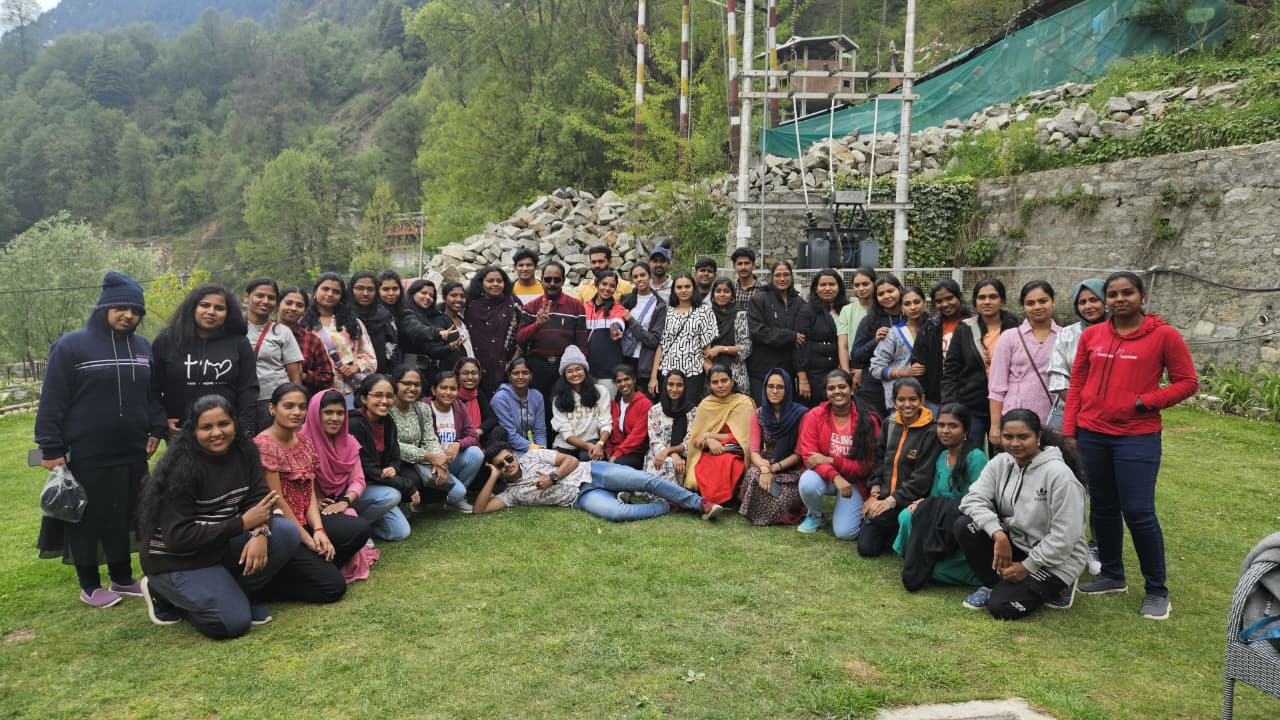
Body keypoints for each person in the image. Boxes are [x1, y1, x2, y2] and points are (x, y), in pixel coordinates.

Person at [138, 396, 342, 638]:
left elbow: (259, 497)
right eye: (206, 427)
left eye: (223, 424)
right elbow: (178, 538)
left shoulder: (244, 451)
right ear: (193, 430)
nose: (217, 433)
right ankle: (163, 593)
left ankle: (234, 594)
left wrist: (260, 531)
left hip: (217, 545)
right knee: (233, 623)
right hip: (178, 559)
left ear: (234, 423)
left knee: (285, 532)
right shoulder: (182, 468)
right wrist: (243, 523)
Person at [1064, 271, 1197, 621]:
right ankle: (1112, 575)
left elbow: (1187, 382)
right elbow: (1077, 384)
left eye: (1127, 293)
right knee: (1103, 506)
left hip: (1136, 436)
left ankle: (1156, 591)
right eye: (1113, 294)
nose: (1119, 299)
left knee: (1138, 511)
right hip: (1092, 433)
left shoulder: (1164, 336)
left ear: (1141, 296)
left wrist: (1145, 401)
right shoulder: (1093, 335)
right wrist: (1069, 430)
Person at [35, 272, 167, 608]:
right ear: (104, 308)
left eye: (135, 311)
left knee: (125, 516)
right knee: (88, 519)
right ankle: (90, 585)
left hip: (132, 451)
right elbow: (52, 400)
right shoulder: (71, 346)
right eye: (121, 308)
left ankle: (122, 577)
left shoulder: (142, 347)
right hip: (86, 453)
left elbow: (152, 395)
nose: (128, 315)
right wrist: (50, 447)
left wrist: (156, 428)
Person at [955, 409, 1088, 620]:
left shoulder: (1060, 475)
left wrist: (1027, 567)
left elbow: (1065, 536)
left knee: (1002, 607)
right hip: (1017, 544)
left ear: (1038, 436)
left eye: (1023, 437)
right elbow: (971, 499)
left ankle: (1062, 585)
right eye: (1008, 437)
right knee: (965, 525)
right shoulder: (1001, 462)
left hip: (1058, 559)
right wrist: (998, 534)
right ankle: (993, 584)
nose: (1015, 443)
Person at [253, 384, 372, 582]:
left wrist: (319, 530)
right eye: (289, 406)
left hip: (308, 517)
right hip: (283, 523)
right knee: (333, 587)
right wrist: (310, 541)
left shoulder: (304, 441)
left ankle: (322, 565)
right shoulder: (264, 444)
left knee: (360, 528)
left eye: (302, 407)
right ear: (272, 408)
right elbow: (278, 501)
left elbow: (308, 492)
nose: (296, 412)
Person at [472, 444, 725, 521]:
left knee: (644, 480)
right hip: (580, 498)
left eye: (508, 459)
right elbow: (479, 510)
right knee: (617, 513)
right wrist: (493, 476)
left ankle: (699, 503)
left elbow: (571, 459)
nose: (507, 465)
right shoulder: (512, 494)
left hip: (591, 471)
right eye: (501, 465)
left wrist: (552, 478)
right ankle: (670, 506)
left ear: (514, 455)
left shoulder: (533, 456)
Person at [895, 403, 988, 590]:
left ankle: (938, 564)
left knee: (933, 570)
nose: (945, 431)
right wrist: (922, 503)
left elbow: (982, 501)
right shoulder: (942, 456)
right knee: (906, 515)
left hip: (963, 520)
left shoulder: (976, 458)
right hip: (939, 515)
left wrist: (939, 507)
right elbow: (934, 495)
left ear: (965, 430)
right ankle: (916, 556)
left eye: (953, 426)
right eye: (941, 425)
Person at [297, 390, 383, 582]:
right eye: (328, 412)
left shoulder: (349, 442)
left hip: (339, 503)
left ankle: (335, 564)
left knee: (352, 515)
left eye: (340, 413)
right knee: (354, 523)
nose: (335, 418)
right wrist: (314, 501)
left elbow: (358, 480)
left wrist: (345, 501)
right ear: (315, 413)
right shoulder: (301, 442)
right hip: (307, 510)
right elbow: (299, 484)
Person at [152, 283, 259, 437]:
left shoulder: (239, 343)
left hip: (225, 433)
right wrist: (161, 420)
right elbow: (152, 388)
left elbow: (248, 390)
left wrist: (245, 429)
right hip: (181, 433)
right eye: (205, 305)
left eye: (219, 308)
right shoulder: (167, 341)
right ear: (193, 307)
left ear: (228, 313)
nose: (211, 312)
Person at [860, 378, 942, 557]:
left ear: (921, 399)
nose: (907, 404)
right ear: (894, 401)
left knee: (881, 519)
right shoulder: (889, 423)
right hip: (884, 497)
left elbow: (922, 478)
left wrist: (890, 502)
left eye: (913, 399)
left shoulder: (931, 431)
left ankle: (901, 528)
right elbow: (879, 460)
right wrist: (874, 495)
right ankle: (893, 531)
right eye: (901, 399)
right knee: (866, 549)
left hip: (910, 502)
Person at [796, 369, 880, 538]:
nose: (837, 392)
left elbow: (866, 466)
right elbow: (809, 456)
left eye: (842, 387)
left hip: (855, 481)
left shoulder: (868, 420)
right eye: (831, 388)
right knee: (807, 481)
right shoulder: (814, 415)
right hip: (826, 476)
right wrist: (835, 477)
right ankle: (815, 515)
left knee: (845, 533)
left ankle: (850, 508)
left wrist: (831, 460)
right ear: (826, 392)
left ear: (851, 388)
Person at [941, 278, 1019, 453]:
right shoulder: (965, 329)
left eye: (993, 297)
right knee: (970, 456)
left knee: (1005, 457)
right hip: (971, 406)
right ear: (975, 302)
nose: (987, 302)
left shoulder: (1017, 328)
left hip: (1008, 406)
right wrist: (950, 405)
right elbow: (951, 369)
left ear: (1002, 300)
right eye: (982, 297)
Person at [987, 280, 1061, 449]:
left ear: (1053, 301)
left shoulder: (1065, 337)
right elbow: (997, 386)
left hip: (1050, 420)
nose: (1037, 307)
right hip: (1014, 418)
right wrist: (995, 425)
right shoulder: (1010, 337)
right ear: (1023, 306)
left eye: (1043, 301)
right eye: (1030, 303)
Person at [346, 374, 419, 541]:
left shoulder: (387, 421)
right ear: (364, 398)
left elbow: (395, 455)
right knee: (393, 495)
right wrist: (407, 485)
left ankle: (361, 524)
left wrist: (393, 467)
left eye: (389, 396)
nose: (385, 401)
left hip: (377, 485)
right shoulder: (354, 424)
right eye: (378, 395)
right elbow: (366, 468)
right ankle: (355, 529)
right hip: (355, 486)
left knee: (399, 532)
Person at [516, 261, 589, 420]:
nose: (552, 283)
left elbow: (582, 344)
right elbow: (520, 339)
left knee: (564, 409)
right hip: (537, 367)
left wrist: (579, 371)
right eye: (548, 279)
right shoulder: (531, 307)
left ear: (563, 281)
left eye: (557, 280)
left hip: (564, 367)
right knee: (539, 411)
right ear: (541, 280)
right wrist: (537, 324)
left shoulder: (576, 307)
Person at [388, 367, 465, 512]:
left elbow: (430, 438)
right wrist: (429, 457)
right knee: (413, 480)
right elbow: (392, 445)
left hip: (419, 462)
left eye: (416, 384)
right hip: (394, 462)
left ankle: (421, 503)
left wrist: (440, 462)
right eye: (407, 383)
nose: (412, 388)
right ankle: (402, 506)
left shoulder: (422, 408)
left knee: (455, 491)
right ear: (395, 384)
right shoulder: (386, 408)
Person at [739, 368, 808, 526]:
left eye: (780, 387)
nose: (774, 391)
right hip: (766, 463)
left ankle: (775, 507)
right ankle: (769, 504)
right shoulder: (759, 414)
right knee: (754, 475)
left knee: (783, 491)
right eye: (770, 386)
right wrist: (764, 469)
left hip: (790, 467)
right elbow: (754, 450)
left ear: (788, 389)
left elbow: (798, 453)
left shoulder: (801, 414)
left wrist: (774, 468)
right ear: (765, 388)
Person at [302, 273, 376, 404]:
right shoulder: (303, 323)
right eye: (325, 289)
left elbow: (370, 357)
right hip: (312, 390)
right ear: (315, 291)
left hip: (344, 392)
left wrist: (355, 367)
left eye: (336, 291)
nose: (330, 294)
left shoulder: (352, 323)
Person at [685, 365, 754, 505]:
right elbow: (696, 440)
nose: (720, 386)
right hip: (708, 451)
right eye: (715, 382)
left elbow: (742, 438)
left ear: (732, 381)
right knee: (702, 470)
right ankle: (710, 501)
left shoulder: (744, 403)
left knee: (726, 462)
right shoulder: (706, 405)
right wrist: (708, 441)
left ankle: (719, 501)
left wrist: (710, 435)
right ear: (709, 385)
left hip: (736, 453)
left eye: (724, 380)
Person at [1045, 279, 1106, 431]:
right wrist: (1084, 408)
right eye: (1082, 302)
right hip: (1072, 412)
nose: (1088, 306)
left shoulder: (1120, 332)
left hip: (1113, 414)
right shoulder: (1067, 334)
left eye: (1094, 300)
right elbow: (1058, 377)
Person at [243, 278, 303, 431]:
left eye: (271, 298)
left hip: (274, 401)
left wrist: (295, 405)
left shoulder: (282, 332)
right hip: (242, 400)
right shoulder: (233, 328)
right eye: (259, 295)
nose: (265, 301)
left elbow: (295, 376)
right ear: (246, 297)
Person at [651, 272, 717, 401]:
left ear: (694, 288)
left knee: (689, 409)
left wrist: (712, 375)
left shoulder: (704, 311)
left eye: (687, 286)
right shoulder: (667, 312)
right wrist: (653, 377)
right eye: (679, 287)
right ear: (674, 290)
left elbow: (707, 347)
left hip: (693, 372)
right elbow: (661, 346)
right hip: (667, 371)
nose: (683, 290)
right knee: (667, 409)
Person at [746, 261, 805, 402]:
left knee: (785, 412)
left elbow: (802, 336)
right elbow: (757, 331)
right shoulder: (759, 299)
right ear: (772, 277)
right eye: (778, 275)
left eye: (786, 275)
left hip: (787, 372)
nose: (782, 279)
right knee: (762, 411)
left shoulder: (799, 302)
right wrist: (789, 336)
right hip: (761, 371)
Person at [909, 278, 972, 408]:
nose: (945, 304)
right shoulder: (931, 327)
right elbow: (919, 363)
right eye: (939, 301)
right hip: (936, 400)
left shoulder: (974, 323)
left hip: (971, 397)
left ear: (959, 296)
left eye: (949, 298)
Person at [851, 275, 905, 416]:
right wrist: (875, 341)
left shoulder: (912, 317)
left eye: (890, 291)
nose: (886, 296)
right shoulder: (869, 321)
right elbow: (856, 355)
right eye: (881, 294)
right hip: (874, 384)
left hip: (905, 384)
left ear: (900, 290)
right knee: (873, 425)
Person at [465, 265, 523, 396]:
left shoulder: (513, 303)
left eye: (499, 281)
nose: (495, 284)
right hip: (476, 369)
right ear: (481, 283)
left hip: (508, 367)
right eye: (490, 281)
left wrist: (514, 361)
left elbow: (523, 335)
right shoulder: (470, 305)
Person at [426, 370, 485, 496]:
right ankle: (449, 495)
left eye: (453, 389)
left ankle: (455, 494)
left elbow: (472, 435)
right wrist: (436, 459)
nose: (448, 392)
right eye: (443, 388)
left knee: (476, 453)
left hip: (451, 460)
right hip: (430, 462)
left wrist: (458, 444)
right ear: (433, 390)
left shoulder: (459, 406)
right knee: (457, 493)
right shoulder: (424, 406)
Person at [869, 285, 928, 410]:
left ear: (925, 303)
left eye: (917, 302)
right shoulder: (894, 334)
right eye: (907, 304)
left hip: (930, 399)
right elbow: (875, 368)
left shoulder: (934, 330)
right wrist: (903, 372)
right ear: (901, 308)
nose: (913, 307)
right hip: (899, 402)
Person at [550, 346, 611, 460]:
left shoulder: (601, 392)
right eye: (569, 371)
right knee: (560, 462)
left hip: (592, 441)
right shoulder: (558, 399)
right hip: (566, 444)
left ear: (585, 370)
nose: (575, 374)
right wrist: (588, 446)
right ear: (564, 375)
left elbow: (605, 423)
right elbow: (566, 434)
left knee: (590, 458)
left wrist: (600, 444)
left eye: (578, 369)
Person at [796, 269, 848, 404]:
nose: (827, 288)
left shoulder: (846, 309)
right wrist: (803, 379)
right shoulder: (808, 310)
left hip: (841, 373)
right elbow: (800, 346)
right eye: (823, 285)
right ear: (816, 288)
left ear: (839, 287)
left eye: (832, 284)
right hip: (815, 377)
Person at [277, 287, 334, 399]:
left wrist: (304, 376)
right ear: (278, 304)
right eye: (288, 303)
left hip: (301, 401)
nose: (293, 308)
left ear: (305, 310)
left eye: (299, 305)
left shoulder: (312, 341)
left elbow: (327, 377)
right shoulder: (265, 334)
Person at [619, 261, 666, 396]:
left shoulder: (659, 305)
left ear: (650, 276)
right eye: (635, 277)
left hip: (645, 362)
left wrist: (631, 321)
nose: (639, 279)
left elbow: (654, 340)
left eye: (642, 275)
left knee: (644, 400)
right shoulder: (625, 300)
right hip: (625, 358)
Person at [644, 370, 697, 484]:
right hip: (658, 454)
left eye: (679, 385)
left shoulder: (692, 411)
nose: (674, 389)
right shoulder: (655, 410)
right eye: (670, 384)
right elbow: (654, 441)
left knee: (673, 465)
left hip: (683, 457)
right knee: (664, 463)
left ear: (685, 387)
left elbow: (690, 442)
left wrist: (672, 452)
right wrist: (672, 454)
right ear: (665, 386)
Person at [584, 270, 628, 397]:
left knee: (607, 406)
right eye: (604, 284)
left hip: (609, 372)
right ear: (597, 284)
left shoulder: (618, 309)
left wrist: (616, 329)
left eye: (612, 286)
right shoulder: (584, 307)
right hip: (587, 371)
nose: (607, 288)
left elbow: (618, 321)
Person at [705, 277, 752, 394]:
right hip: (711, 375)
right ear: (713, 295)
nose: (722, 294)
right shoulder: (707, 315)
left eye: (726, 291)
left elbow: (746, 348)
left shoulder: (740, 314)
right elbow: (701, 349)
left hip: (736, 374)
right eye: (718, 291)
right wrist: (712, 371)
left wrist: (721, 349)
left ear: (732, 295)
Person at [491, 358, 547, 455]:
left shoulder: (537, 396)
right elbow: (510, 435)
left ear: (531, 375)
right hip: (505, 449)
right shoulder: (500, 398)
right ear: (509, 376)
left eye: (525, 373)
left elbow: (539, 431)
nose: (520, 377)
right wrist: (534, 448)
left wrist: (542, 450)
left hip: (528, 448)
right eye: (516, 373)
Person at [351, 271, 400, 375]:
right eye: (360, 288)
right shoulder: (342, 316)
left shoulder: (384, 316)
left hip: (381, 377)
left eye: (370, 289)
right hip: (349, 375)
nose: (365, 293)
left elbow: (393, 349)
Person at [604, 365, 652, 468]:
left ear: (634, 380)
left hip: (636, 451)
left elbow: (637, 436)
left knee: (616, 464)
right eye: (619, 381)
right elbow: (607, 427)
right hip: (615, 449)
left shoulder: (645, 404)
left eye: (626, 379)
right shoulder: (613, 404)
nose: (623, 384)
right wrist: (608, 450)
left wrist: (617, 454)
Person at [837, 267, 877, 389]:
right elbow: (843, 346)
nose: (861, 288)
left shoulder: (882, 310)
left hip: (877, 365)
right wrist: (846, 375)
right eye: (857, 285)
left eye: (865, 284)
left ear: (874, 283)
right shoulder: (847, 310)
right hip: (853, 365)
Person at [426, 281, 473, 381]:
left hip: (468, 375)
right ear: (444, 297)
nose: (459, 299)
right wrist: (450, 347)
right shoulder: (439, 321)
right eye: (453, 295)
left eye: (462, 296)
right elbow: (432, 350)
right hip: (450, 377)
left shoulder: (463, 321)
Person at [399, 278, 442, 385]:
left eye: (431, 296)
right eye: (423, 293)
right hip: (411, 370)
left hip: (427, 369)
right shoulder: (407, 313)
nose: (428, 297)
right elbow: (416, 329)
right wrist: (437, 332)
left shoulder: (428, 316)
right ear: (412, 293)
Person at [455, 357, 503, 445]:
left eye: (474, 373)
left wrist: (478, 431)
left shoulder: (477, 393)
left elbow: (491, 418)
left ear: (479, 376)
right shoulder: (451, 393)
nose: (470, 377)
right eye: (465, 373)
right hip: (455, 439)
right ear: (457, 376)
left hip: (475, 436)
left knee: (499, 431)